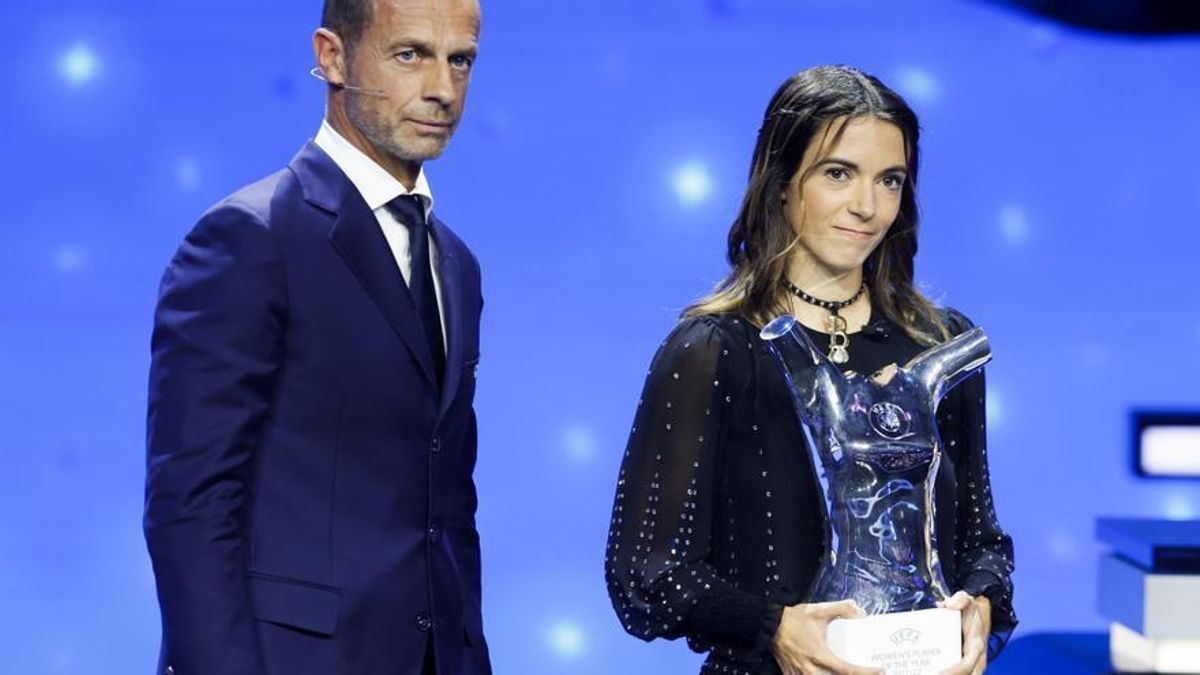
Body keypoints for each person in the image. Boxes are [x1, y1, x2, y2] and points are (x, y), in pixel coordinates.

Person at [604, 65, 1017, 675]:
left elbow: (982, 540)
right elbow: (647, 575)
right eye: (838, 174)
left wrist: (982, 608)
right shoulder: (714, 350)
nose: (867, 206)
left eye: (890, 180)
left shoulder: (940, 345)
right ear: (781, 183)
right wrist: (773, 628)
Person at [143, 1, 489, 673]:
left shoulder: (457, 264)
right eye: (410, 54)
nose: (442, 89)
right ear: (331, 56)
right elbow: (190, 506)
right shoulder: (252, 235)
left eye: (461, 60)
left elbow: (448, 502)